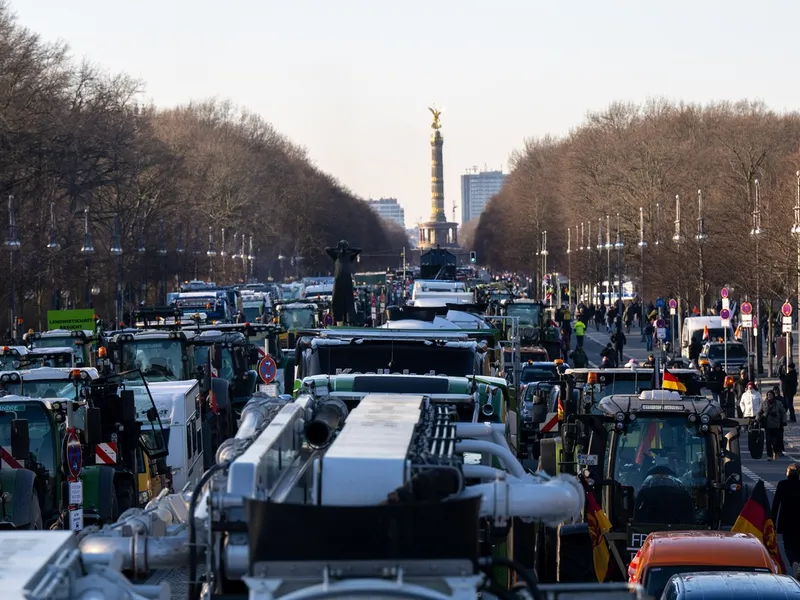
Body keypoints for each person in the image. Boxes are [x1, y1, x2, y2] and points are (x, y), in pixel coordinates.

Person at [772, 463, 800, 569]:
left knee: (788, 547)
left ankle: (794, 562)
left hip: (786, 521)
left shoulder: (782, 484)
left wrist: (772, 522)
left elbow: (775, 504)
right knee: (798, 545)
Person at [758, 390, 787, 461]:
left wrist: (783, 421)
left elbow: (783, 412)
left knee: (775, 441)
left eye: (770, 395)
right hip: (767, 424)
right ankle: (769, 455)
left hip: (776, 424)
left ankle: (775, 451)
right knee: (768, 441)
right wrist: (757, 420)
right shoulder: (764, 403)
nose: (769, 396)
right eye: (768, 395)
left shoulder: (778, 403)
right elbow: (759, 412)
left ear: (773, 396)